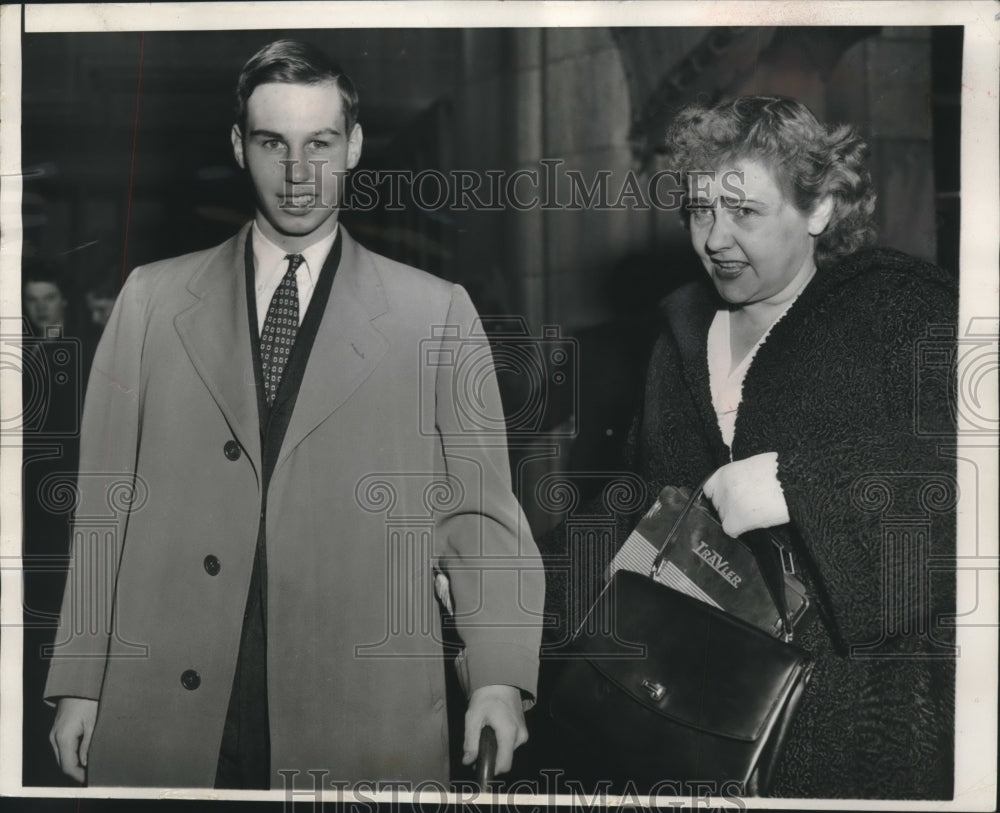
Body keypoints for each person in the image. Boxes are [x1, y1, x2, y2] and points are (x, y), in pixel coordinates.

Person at [44, 39, 543, 789]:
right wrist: (81, 678)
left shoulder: (437, 312)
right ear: (240, 147)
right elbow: (103, 504)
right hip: (169, 707)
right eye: (274, 143)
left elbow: (481, 515)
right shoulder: (150, 300)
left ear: (355, 146)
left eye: (321, 143)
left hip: (360, 709)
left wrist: (498, 677)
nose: (299, 172)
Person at [542, 96, 956, 798]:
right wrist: (518, 587)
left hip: (856, 734)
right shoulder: (676, 340)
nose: (715, 239)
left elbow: (969, 492)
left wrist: (800, 486)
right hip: (698, 720)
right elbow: (644, 515)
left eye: (745, 212)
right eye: (700, 210)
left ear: (819, 207)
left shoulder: (901, 313)